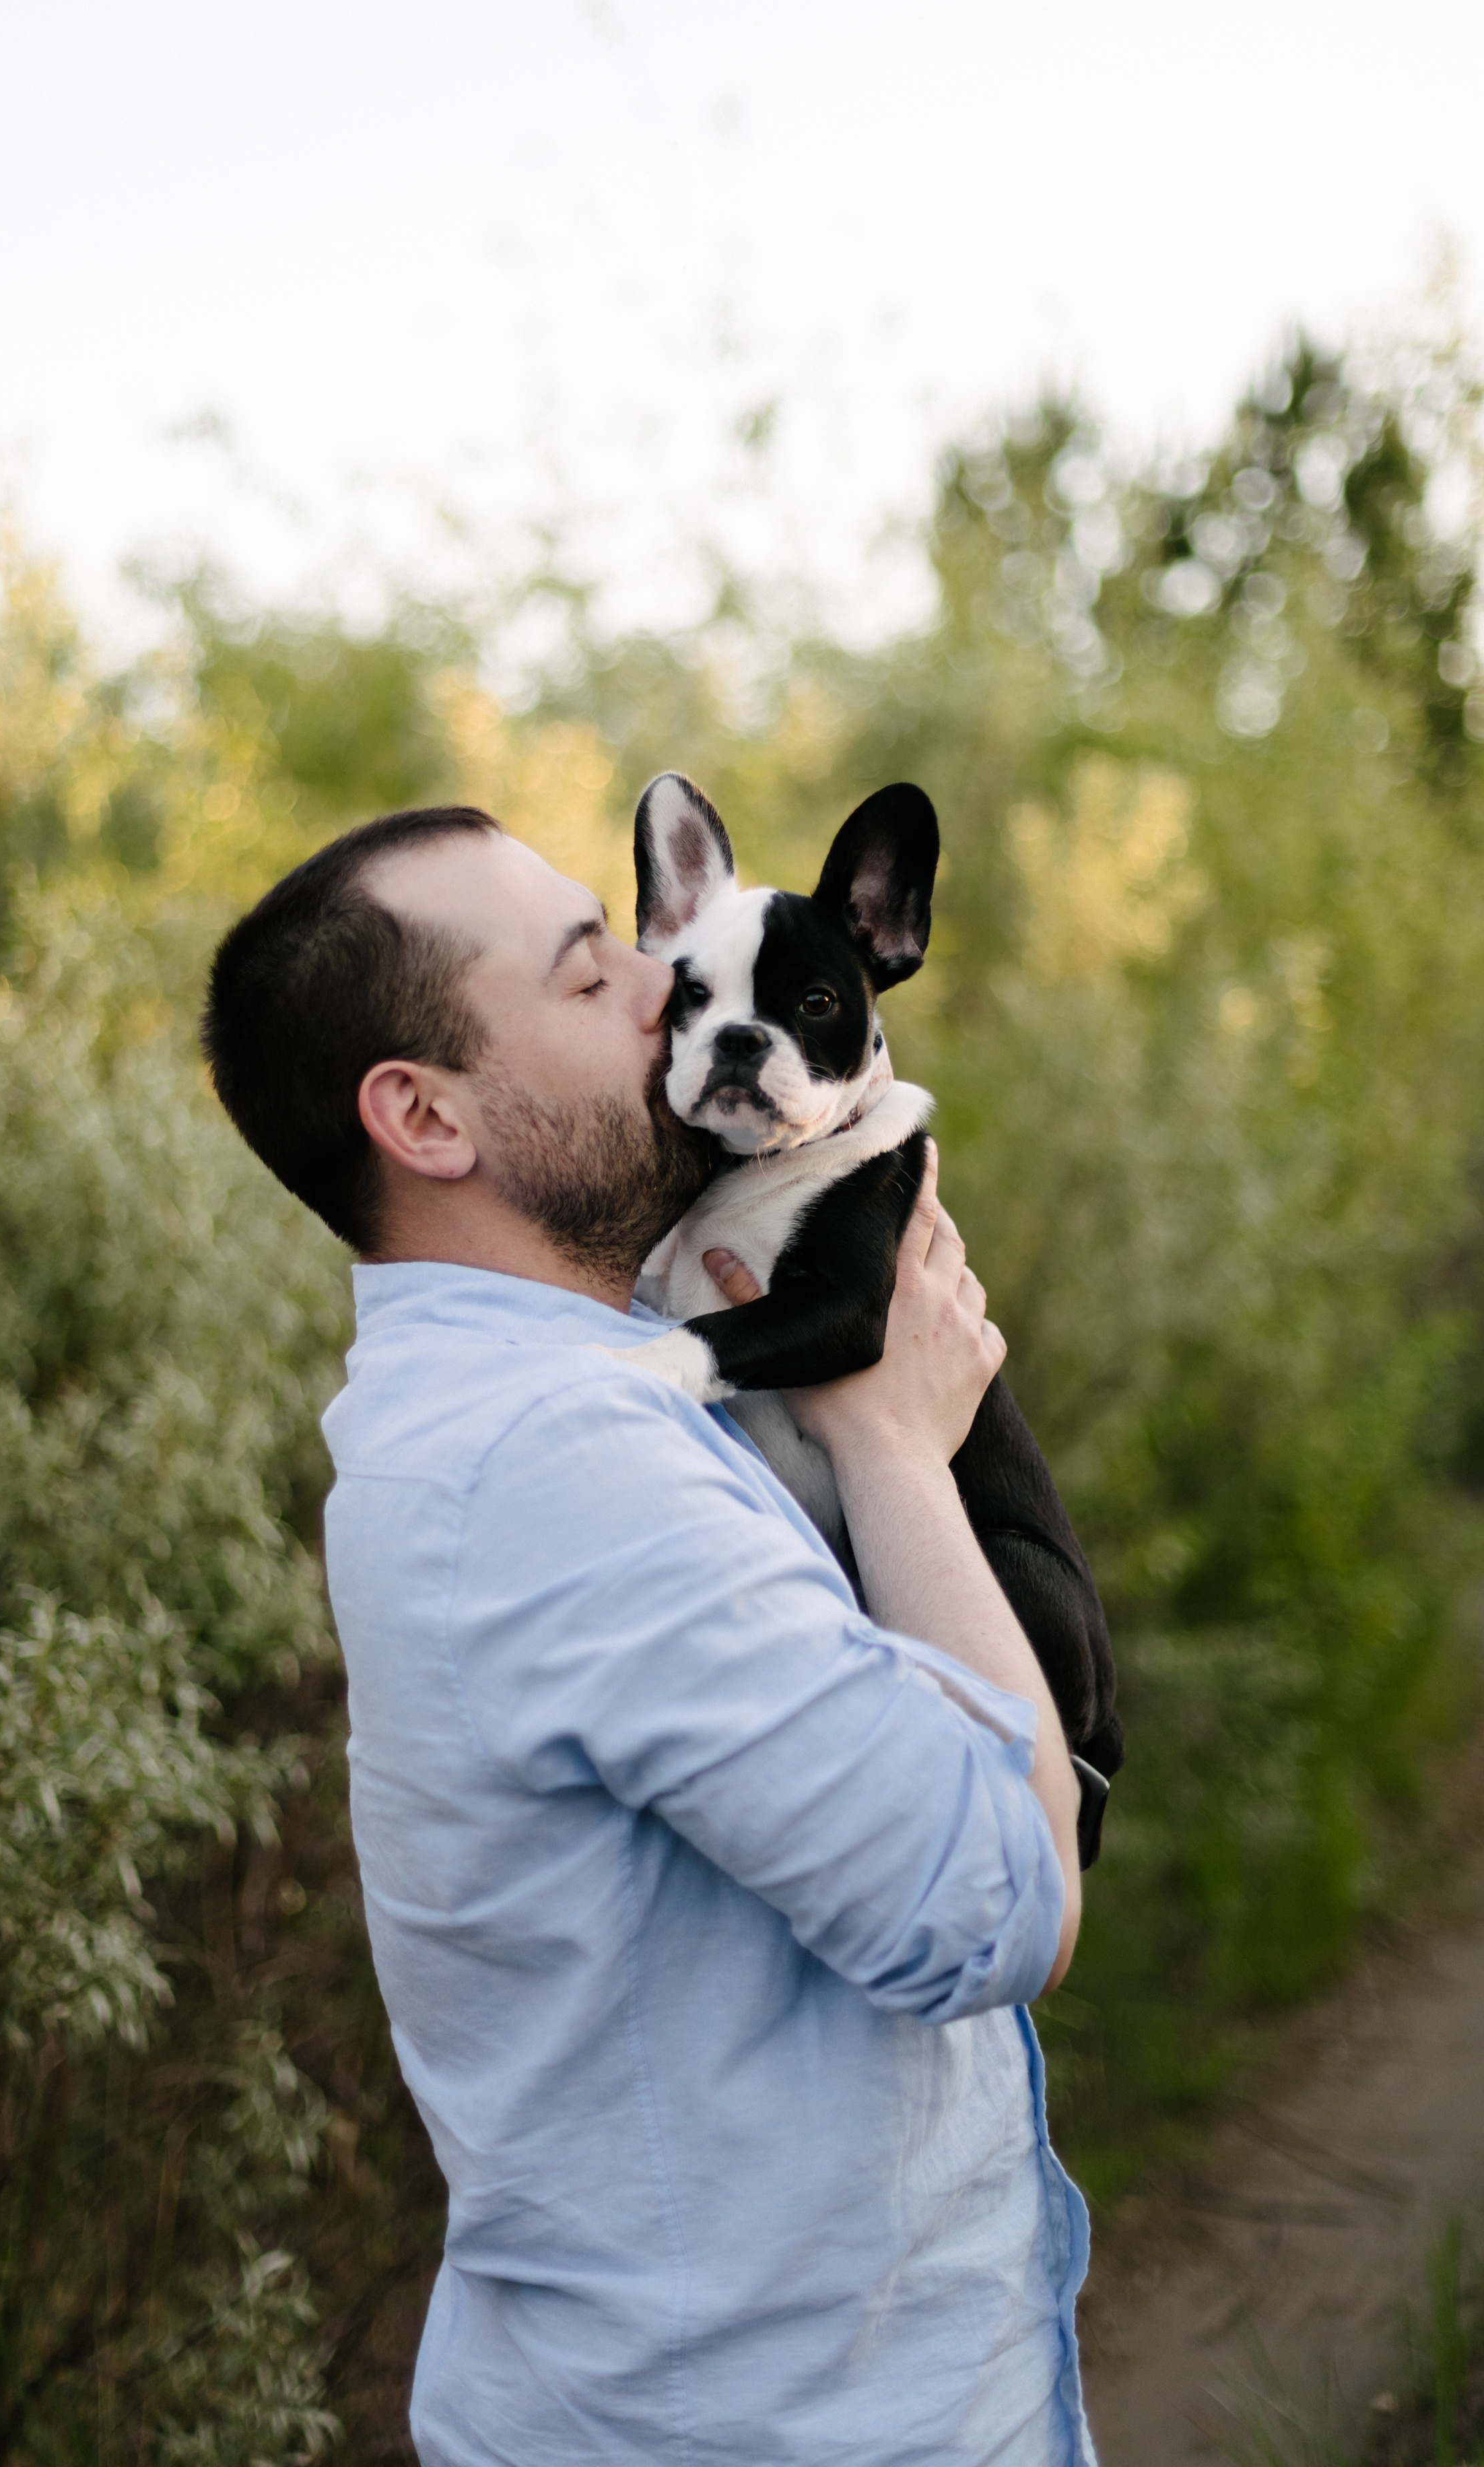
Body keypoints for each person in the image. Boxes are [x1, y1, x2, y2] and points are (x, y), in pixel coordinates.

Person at [203, 803, 1097, 2467]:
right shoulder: (566, 1461)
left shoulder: (534, 1386)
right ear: (424, 1114)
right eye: (593, 970)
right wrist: (895, 1439)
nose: (662, 989)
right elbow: (999, 1897)